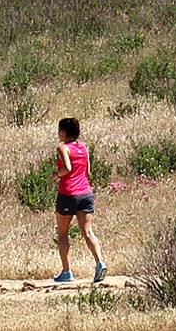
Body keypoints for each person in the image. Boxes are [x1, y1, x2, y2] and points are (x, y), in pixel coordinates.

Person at [52, 117, 106, 284]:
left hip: (68, 193)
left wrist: (56, 175)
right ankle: (100, 262)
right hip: (85, 193)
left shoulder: (62, 148)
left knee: (62, 234)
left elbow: (67, 168)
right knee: (88, 231)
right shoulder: (83, 147)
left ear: (63, 132)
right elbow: (88, 171)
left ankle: (67, 271)